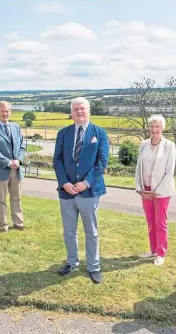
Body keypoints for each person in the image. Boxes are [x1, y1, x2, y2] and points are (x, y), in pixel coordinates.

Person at [53, 97, 109, 284]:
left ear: (89, 111)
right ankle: (71, 262)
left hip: (88, 192)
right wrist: (64, 182)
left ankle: (94, 266)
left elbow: (101, 162)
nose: (79, 112)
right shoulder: (63, 133)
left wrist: (86, 182)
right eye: (76, 109)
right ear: (71, 112)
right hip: (66, 191)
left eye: (82, 108)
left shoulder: (99, 133)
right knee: (69, 231)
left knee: (91, 232)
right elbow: (57, 160)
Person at [135, 114, 176, 266]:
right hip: (145, 189)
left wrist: (156, 191)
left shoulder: (169, 146)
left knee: (161, 222)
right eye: (152, 126)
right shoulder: (144, 144)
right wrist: (139, 187)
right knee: (150, 221)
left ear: (162, 128)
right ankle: (152, 249)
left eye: (157, 126)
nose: (154, 129)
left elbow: (169, 172)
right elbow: (139, 167)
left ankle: (161, 253)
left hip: (162, 191)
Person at [0, 101, 26, 232]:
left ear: (10, 112)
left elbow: (22, 147)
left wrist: (18, 160)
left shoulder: (16, 127)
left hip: (16, 169)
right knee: (1, 200)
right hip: (1, 170)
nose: (5, 113)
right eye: (2, 111)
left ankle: (18, 223)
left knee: (16, 198)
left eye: (7, 111)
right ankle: (3, 225)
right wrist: (9, 162)